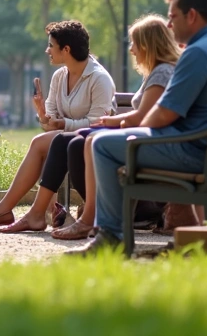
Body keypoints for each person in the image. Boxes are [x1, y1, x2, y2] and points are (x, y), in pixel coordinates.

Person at [68, 0, 207, 256]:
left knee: (102, 145)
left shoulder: (199, 51)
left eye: (173, 16)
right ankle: (187, 234)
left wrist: (127, 125)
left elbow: (163, 114)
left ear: (192, 16)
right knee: (113, 141)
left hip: (201, 151)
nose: (169, 24)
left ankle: (110, 236)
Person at [0, 21, 115, 231]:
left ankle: (14, 211)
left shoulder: (99, 79)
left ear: (66, 49)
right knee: (43, 143)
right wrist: (43, 114)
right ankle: (35, 211)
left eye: (51, 45)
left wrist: (63, 123)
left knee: (39, 143)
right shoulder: (59, 76)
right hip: (67, 141)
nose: (47, 50)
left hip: (95, 142)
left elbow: (98, 122)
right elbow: (50, 125)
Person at [49, 15, 181, 240]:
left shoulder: (162, 72)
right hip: (148, 138)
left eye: (134, 43)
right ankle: (97, 213)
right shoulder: (156, 72)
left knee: (86, 141)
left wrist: (114, 122)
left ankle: (94, 217)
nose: (131, 50)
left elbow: (144, 117)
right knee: (76, 142)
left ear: (148, 44)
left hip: (154, 142)